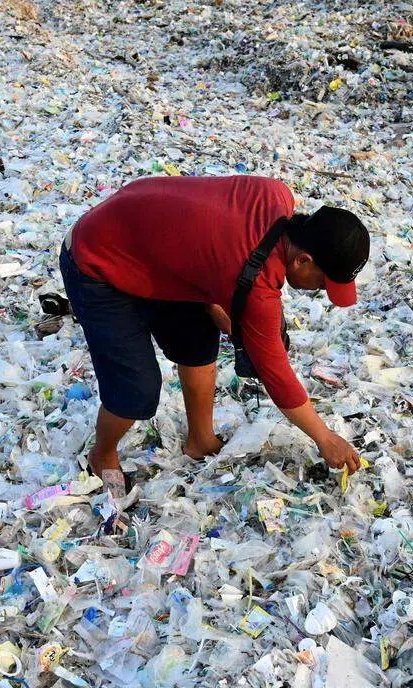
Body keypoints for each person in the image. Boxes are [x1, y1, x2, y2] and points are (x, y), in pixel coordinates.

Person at [59, 174, 368, 497]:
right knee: (136, 388)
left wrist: (218, 297)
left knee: (198, 335)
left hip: (139, 231)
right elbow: (276, 375)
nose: (319, 291)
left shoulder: (275, 194)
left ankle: (200, 440)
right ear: (303, 260)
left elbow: (208, 235)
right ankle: (102, 454)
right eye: (322, 283)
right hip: (94, 258)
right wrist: (324, 437)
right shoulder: (256, 289)